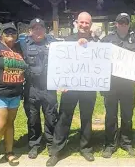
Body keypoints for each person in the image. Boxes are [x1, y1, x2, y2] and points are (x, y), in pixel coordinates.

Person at [46, 12, 98, 167]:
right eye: (81, 22)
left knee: (87, 118)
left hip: (89, 87)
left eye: (86, 23)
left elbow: (100, 65)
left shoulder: (97, 43)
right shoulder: (67, 41)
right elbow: (60, 64)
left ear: (91, 24)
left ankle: (86, 148)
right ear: (76, 23)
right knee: (64, 117)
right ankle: (56, 151)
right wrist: (61, 82)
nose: (83, 25)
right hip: (69, 88)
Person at [100, 13, 135, 158]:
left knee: (127, 115)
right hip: (111, 85)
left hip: (128, 86)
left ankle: (126, 142)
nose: (123, 25)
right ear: (116, 24)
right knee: (110, 116)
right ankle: (110, 144)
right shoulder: (107, 40)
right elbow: (98, 59)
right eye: (121, 22)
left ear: (129, 24)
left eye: (126, 23)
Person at [20, 18, 58, 159]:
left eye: (41, 28)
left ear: (45, 29)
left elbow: (70, 51)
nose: (38, 31)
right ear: (30, 31)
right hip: (31, 87)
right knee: (32, 118)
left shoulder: (53, 43)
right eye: (35, 28)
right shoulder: (23, 44)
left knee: (51, 117)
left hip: (49, 88)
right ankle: (34, 145)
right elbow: (6, 47)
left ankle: (50, 144)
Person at [0, 23, 27, 166]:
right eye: (7, 32)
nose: (10, 35)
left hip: (15, 93)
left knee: (10, 124)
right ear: (1, 34)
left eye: (13, 32)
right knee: (0, 125)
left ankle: (9, 152)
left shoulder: (19, 49)